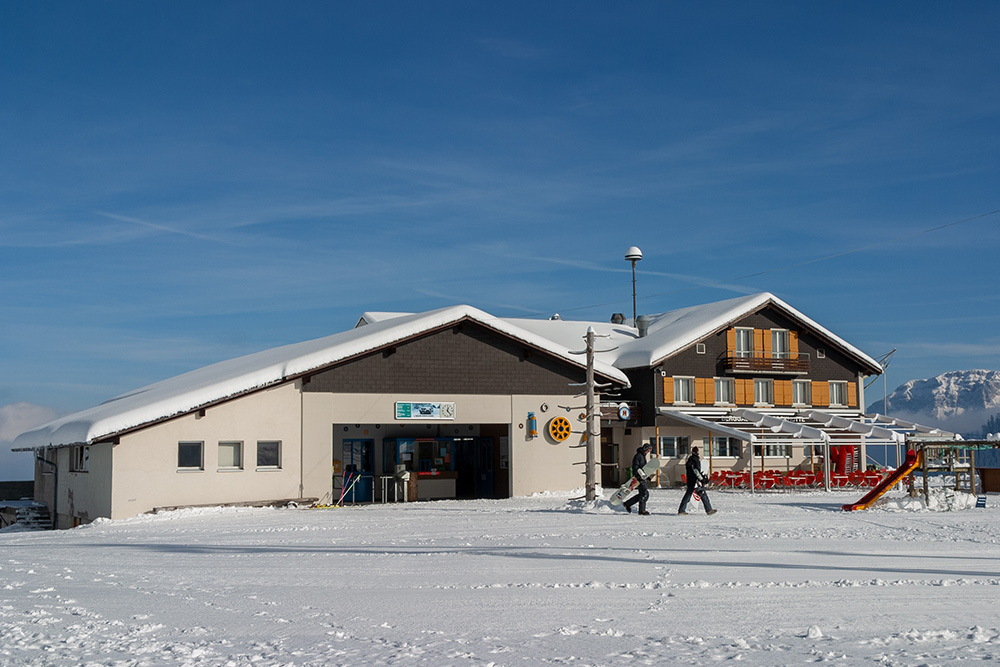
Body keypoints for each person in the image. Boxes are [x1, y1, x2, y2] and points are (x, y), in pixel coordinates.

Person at [678, 446, 717, 515]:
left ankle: (681, 510)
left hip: (690, 480)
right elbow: (696, 471)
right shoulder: (695, 460)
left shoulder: (689, 460)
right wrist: (701, 479)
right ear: (697, 452)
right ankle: (708, 510)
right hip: (696, 481)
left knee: (688, 495)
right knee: (703, 494)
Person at [623, 443, 653, 515]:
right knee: (644, 493)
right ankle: (642, 510)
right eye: (648, 449)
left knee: (643, 494)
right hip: (639, 477)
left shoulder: (643, 456)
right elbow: (635, 467)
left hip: (642, 477)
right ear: (645, 449)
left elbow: (643, 468)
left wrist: (647, 476)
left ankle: (627, 504)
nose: (649, 451)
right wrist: (638, 476)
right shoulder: (638, 456)